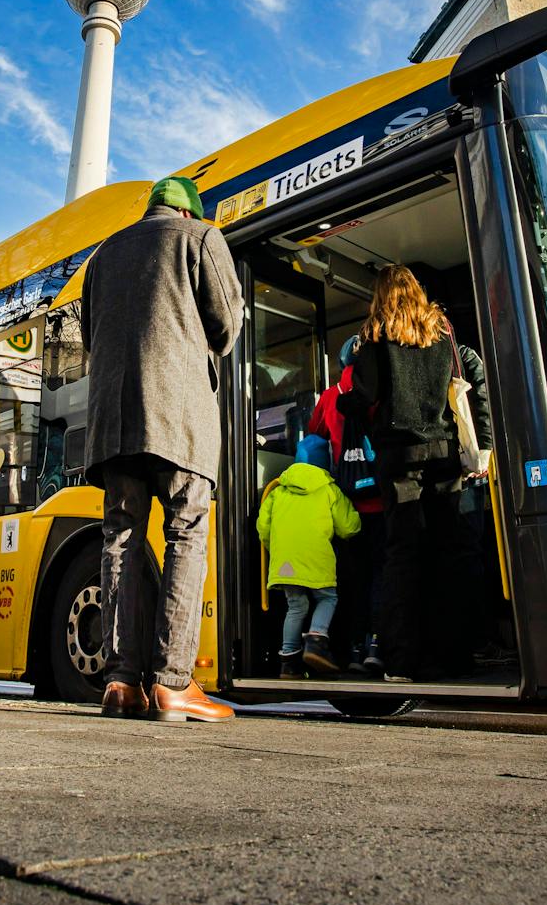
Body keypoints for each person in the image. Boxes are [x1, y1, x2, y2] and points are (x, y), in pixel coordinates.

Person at [83, 176, 242, 722]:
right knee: (186, 534)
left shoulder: (103, 255)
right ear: (190, 213)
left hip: (113, 420)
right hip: (178, 417)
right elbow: (225, 326)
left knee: (121, 539)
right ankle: (174, 683)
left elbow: (91, 339)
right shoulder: (199, 239)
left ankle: (122, 682)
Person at [349, 265, 492, 683]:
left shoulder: (375, 334)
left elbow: (366, 395)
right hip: (444, 452)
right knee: (449, 550)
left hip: (398, 457)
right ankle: (453, 655)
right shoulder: (441, 329)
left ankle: (402, 659)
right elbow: (458, 380)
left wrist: (347, 406)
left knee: (402, 554)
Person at [310, 336, 386, 672]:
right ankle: (377, 644)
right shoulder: (380, 392)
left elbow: (314, 439)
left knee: (352, 579)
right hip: (381, 500)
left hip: (345, 506)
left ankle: (353, 648)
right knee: (382, 574)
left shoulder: (330, 397)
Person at [257, 435, 361, 677]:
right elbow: (348, 527)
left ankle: (289, 661)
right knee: (327, 598)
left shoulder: (278, 490)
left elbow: (263, 527)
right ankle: (316, 640)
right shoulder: (329, 490)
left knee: (296, 606)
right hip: (317, 558)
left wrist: (277, 551)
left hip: (284, 560)